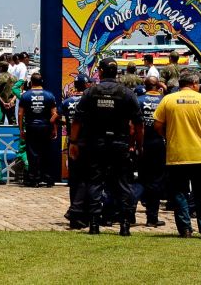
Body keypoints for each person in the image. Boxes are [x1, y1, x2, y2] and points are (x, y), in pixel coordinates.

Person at [70, 58, 142, 236]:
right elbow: (138, 124)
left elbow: (77, 121)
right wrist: (137, 144)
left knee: (95, 182)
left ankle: (94, 224)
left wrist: (73, 142)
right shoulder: (127, 93)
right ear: (116, 72)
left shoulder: (90, 92)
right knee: (123, 184)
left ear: (100, 72)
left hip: (96, 144)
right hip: (120, 144)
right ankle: (124, 225)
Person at [153, 69, 201, 239]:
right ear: (193, 84)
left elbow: (157, 125)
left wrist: (169, 135)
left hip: (176, 154)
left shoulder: (168, 100)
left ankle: (185, 229)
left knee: (179, 194)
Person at [134, 76, 166, 227]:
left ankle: (129, 213)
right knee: (156, 181)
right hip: (159, 143)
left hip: (141, 144)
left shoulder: (137, 100)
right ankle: (152, 217)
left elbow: (132, 126)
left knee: (141, 180)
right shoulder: (164, 101)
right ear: (158, 85)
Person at [18, 73, 59, 188]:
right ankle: (48, 179)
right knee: (46, 152)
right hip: (46, 127)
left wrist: (21, 129)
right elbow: (54, 114)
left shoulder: (25, 96)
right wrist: (54, 129)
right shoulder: (49, 95)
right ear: (41, 82)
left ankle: (33, 179)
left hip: (31, 127)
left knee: (32, 154)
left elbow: (20, 114)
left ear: (31, 82)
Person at [60, 74, 88, 228]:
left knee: (74, 179)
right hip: (86, 142)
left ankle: (74, 212)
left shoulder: (67, 102)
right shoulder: (88, 101)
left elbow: (54, 118)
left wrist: (67, 123)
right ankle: (77, 211)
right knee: (86, 179)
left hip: (71, 141)